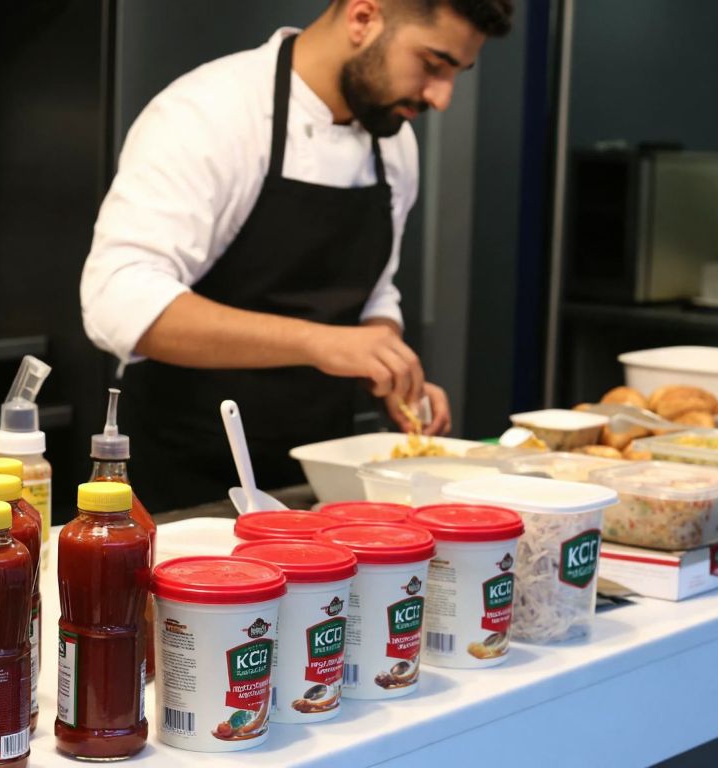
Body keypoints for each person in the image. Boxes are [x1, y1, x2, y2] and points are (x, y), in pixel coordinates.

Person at [80, 0, 514, 510]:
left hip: (317, 483)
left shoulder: (392, 144)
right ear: (363, 18)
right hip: (183, 486)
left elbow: (376, 291)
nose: (441, 98)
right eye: (432, 64)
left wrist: (387, 362)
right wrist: (321, 343)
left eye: (457, 74)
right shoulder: (212, 112)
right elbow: (119, 301)